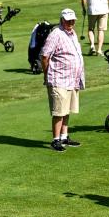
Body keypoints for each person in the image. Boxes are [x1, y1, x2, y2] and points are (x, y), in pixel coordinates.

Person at [41, 8, 86, 152]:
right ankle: (56, 140)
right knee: (59, 111)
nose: (71, 22)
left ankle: (64, 137)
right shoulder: (56, 34)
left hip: (72, 79)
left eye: (73, 20)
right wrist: (47, 74)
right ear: (62, 20)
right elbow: (44, 56)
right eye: (68, 20)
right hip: (58, 79)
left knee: (67, 110)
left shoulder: (72, 34)